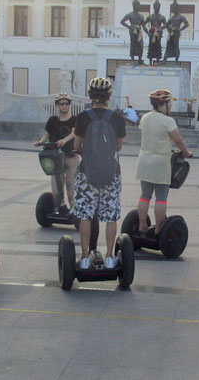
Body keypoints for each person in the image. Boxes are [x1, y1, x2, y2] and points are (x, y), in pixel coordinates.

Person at [72, 77, 126, 269]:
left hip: (87, 172)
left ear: (90, 96)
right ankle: (110, 257)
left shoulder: (83, 117)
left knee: (85, 214)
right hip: (111, 172)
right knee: (111, 215)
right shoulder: (117, 117)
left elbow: (77, 145)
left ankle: (85, 258)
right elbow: (118, 146)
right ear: (109, 96)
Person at [135, 89, 193, 235]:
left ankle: (142, 226)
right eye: (169, 103)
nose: (171, 106)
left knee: (145, 195)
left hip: (144, 161)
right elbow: (178, 140)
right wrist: (186, 152)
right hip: (160, 161)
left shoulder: (145, 117)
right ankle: (158, 230)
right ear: (162, 104)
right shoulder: (168, 121)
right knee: (161, 198)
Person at [33, 92, 78, 209]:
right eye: (61, 103)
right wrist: (40, 142)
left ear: (69, 104)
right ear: (57, 105)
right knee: (56, 187)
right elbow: (46, 135)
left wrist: (64, 140)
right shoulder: (52, 120)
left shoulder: (74, 119)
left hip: (70, 156)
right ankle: (60, 206)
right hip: (55, 157)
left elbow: (74, 133)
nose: (64, 105)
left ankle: (74, 208)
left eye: (66, 103)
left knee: (71, 187)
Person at [163, 0, 189, 64]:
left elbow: (187, 24)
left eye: (174, 8)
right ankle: (165, 59)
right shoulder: (171, 18)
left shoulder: (181, 17)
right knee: (168, 46)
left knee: (176, 46)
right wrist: (160, 28)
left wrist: (180, 29)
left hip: (176, 33)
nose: (172, 10)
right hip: (170, 33)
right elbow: (166, 24)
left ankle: (176, 60)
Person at [120, 0, 145, 64]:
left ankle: (140, 59)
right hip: (133, 31)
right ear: (134, 6)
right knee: (133, 44)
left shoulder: (141, 16)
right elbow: (122, 21)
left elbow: (143, 25)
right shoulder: (130, 14)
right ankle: (133, 59)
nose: (138, 7)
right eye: (136, 5)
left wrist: (148, 32)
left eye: (138, 5)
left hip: (139, 31)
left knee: (140, 45)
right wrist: (129, 27)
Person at [144, 0, 166, 65]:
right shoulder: (150, 16)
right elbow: (143, 24)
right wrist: (147, 32)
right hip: (152, 33)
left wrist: (160, 28)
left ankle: (157, 60)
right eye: (155, 6)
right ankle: (150, 60)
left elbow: (165, 24)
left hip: (158, 34)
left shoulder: (162, 17)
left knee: (158, 46)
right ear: (153, 7)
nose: (157, 8)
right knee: (151, 46)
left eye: (158, 6)